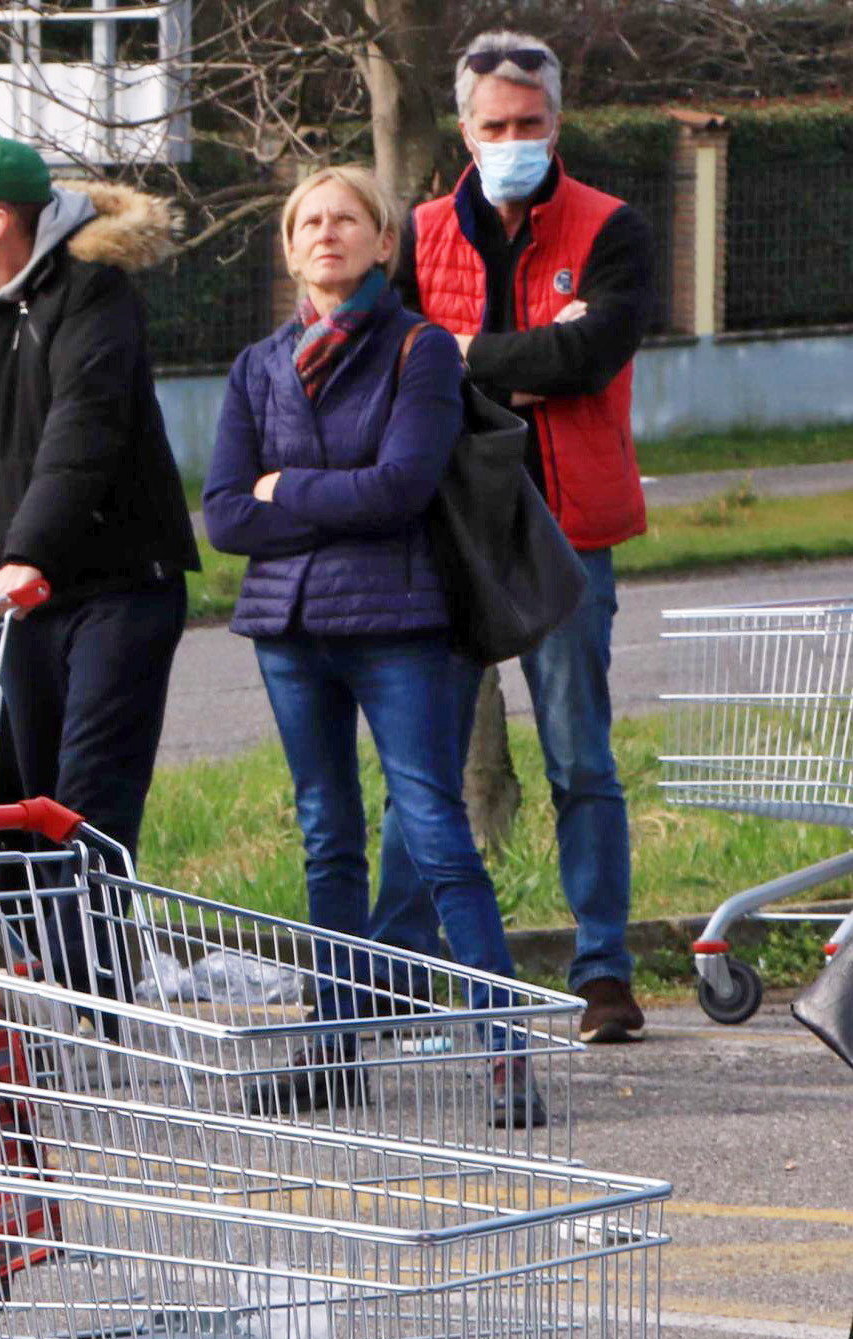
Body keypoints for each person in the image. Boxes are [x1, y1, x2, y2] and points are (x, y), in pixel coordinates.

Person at [203, 167, 535, 1124]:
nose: (326, 233)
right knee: (325, 837)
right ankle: (333, 1052)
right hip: (290, 631)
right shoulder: (257, 365)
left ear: (384, 244)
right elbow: (224, 514)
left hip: (399, 624)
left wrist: (286, 491)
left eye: (347, 219)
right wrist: (297, 497)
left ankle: (507, 1051)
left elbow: (401, 488)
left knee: (433, 826)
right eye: (309, 220)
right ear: (289, 245)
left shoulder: (421, 350)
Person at [379, 31, 649, 1046]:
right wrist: (518, 362)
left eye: (529, 124)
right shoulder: (413, 235)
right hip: (447, 533)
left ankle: (604, 974)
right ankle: (396, 972)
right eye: (494, 126)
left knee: (583, 757)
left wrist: (463, 358)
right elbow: (398, 368)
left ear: (557, 122)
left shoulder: (612, 228)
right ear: (464, 129)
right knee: (422, 768)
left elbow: (592, 351)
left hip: (567, 532)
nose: (512, 140)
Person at [0, 134, 196, 883]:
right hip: (8, 602)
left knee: (84, 804)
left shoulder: (91, 292)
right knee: (12, 808)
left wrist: (30, 553)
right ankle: (47, 988)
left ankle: (100, 990)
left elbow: (83, 432)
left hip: (112, 587)